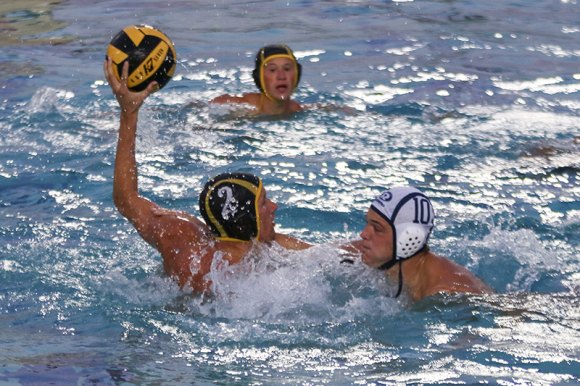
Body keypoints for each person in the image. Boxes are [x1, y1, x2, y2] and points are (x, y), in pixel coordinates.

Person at [103, 58, 310, 294]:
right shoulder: (266, 258)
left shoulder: (181, 237)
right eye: (263, 203)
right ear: (247, 219)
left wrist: (128, 114)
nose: (274, 207)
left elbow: (126, 199)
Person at [349, 186, 492, 302]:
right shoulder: (372, 252)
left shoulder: (448, 294)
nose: (364, 234)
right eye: (367, 223)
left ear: (408, 238)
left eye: (378, 228)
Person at [211, 44, 303, 115]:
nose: (281, 76)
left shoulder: (297, 110)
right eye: (272, 70)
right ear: (260, 77)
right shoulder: (243, 107)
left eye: (287, 69)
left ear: (297, 75)